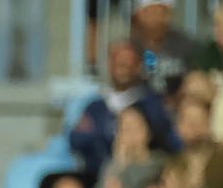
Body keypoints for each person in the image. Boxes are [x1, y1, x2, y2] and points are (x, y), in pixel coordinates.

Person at [69, 40, 175, 176]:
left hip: (140, 177)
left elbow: (162, 139)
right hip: (95, 175)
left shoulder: (152, 104)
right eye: (118, 62)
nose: (122, 67)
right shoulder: (95, 106)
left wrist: (99, 134)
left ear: (138, 66)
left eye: (128, 63)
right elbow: (76, 140)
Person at [125, 0, 195, 96]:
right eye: (149, 11)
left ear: (169, 15)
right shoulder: (129, 47)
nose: (155, 17)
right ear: (138, 15)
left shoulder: (186, 45)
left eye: (161, 11)